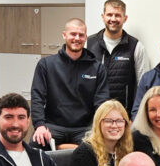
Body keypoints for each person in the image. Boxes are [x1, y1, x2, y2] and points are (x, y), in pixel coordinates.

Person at [31, 18, 110, 148]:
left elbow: (101, 102)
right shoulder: (46, 65)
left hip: (84, 129)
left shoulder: (97, 68)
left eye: (81, 35)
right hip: (53, 126)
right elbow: (37, 97)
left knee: (98, 150)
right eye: (73, 34)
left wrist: (98, 128)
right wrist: (40, 125)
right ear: (64, 35)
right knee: (35, 144)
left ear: (85, 38)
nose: (77, 38)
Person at [87, 0, 151, 112]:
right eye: (109, 15)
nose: (113, 19)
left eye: (117, 15)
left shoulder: (136, 46)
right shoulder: (89, 44)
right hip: (93, 115)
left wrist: (136, 115)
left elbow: (144, 85)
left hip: (123, 116)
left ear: (124, 18)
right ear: (103, 17)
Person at [67, 100, 134, 166]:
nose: (114, 125)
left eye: (119, 121)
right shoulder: (83, 155)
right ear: (98, 123)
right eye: (108, 121)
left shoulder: (127, 151)